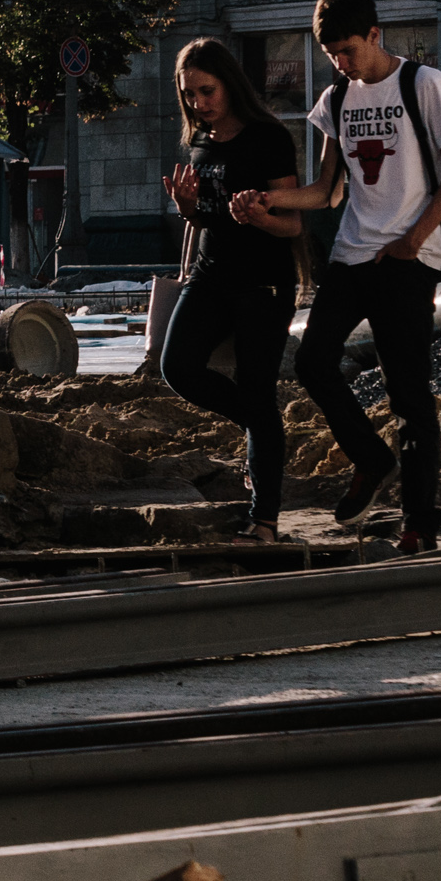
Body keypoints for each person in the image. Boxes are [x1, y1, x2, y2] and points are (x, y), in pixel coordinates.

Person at [237, 0, 441, 551]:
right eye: (332, 55)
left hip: (407, 260)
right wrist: (267, 202)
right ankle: (371, 459)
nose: (342, 63)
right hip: (350, 255)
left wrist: (415, 240)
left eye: (348, 50)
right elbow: (324, 192)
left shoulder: (424, 84)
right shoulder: (337, 99)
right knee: (315, 362)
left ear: (375, 34)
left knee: (410, 396)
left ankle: (419, 524)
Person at [156, 37, 304, 542]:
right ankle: (262, 428)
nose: (199, 102)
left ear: (230, 84)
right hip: (211, 275)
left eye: (207, 90)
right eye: (190, 94)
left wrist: (262, 214)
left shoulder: (268, 138)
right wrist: (187, 208)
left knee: (259, 390)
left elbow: (294, 227)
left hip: (263, 283)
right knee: (177, 366)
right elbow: (206, 217)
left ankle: (264, 520)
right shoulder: (200, 142)